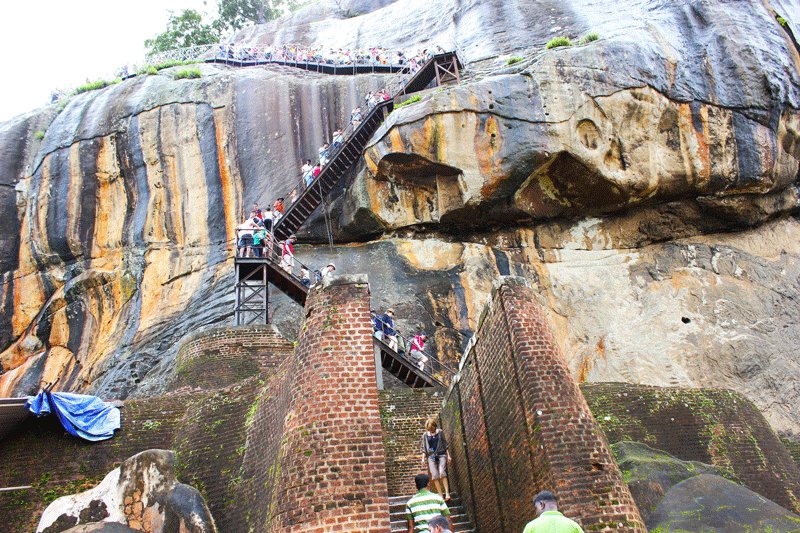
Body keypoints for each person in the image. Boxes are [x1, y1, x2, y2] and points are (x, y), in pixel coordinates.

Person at [421, 418, 452, 501]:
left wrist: (448, 456)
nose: (430, 430)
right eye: (429, 429)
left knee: (442, 472)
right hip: (431, 456)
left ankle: (447, 494)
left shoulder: (440, 432)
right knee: (435, 476)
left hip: (441, 454)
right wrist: (423, 458)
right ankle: (441, 496)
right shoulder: (425, 435)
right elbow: (424, 448)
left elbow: (445, 444)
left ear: (435, 426)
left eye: (431, 428)